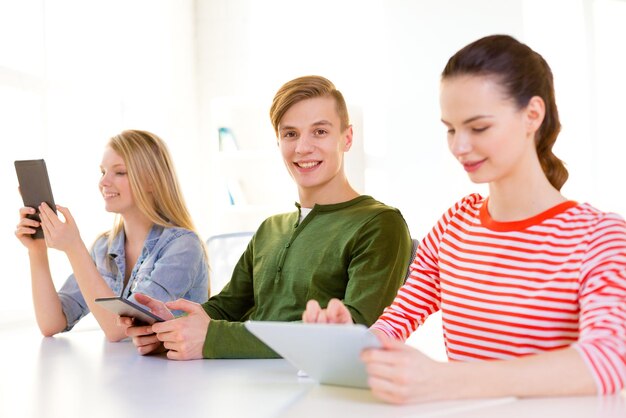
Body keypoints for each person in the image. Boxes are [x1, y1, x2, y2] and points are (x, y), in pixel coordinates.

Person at [303, 35, 626, 403]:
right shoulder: (455, 225)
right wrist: (351, 344)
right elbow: (396, 321)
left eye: (479, 127)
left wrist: (447, 379)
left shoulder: (600, 237)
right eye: (451, 128)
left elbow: (608, 361)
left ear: (532, 115)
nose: (459, 146)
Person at [123, 75, 413, 360]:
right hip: (246, 387)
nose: (302, 147)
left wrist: (213, 338)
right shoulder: (270, 228)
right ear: (278, 142)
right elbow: (229, 307)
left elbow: (357, 327)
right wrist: (172, 327)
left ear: (347, 138)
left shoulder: (380, 224)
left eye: (320, 132)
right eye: (290, 134)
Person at [15, 130, 209, 341]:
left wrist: (74, 247)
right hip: (128, 371)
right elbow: (52, 322)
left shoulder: (183, 246)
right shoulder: (104, 247)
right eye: (102, 172)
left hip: (178, 373)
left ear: (151, 182)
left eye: (119, 172)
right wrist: (37, 251)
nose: (103, 182)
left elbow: (121, 330)